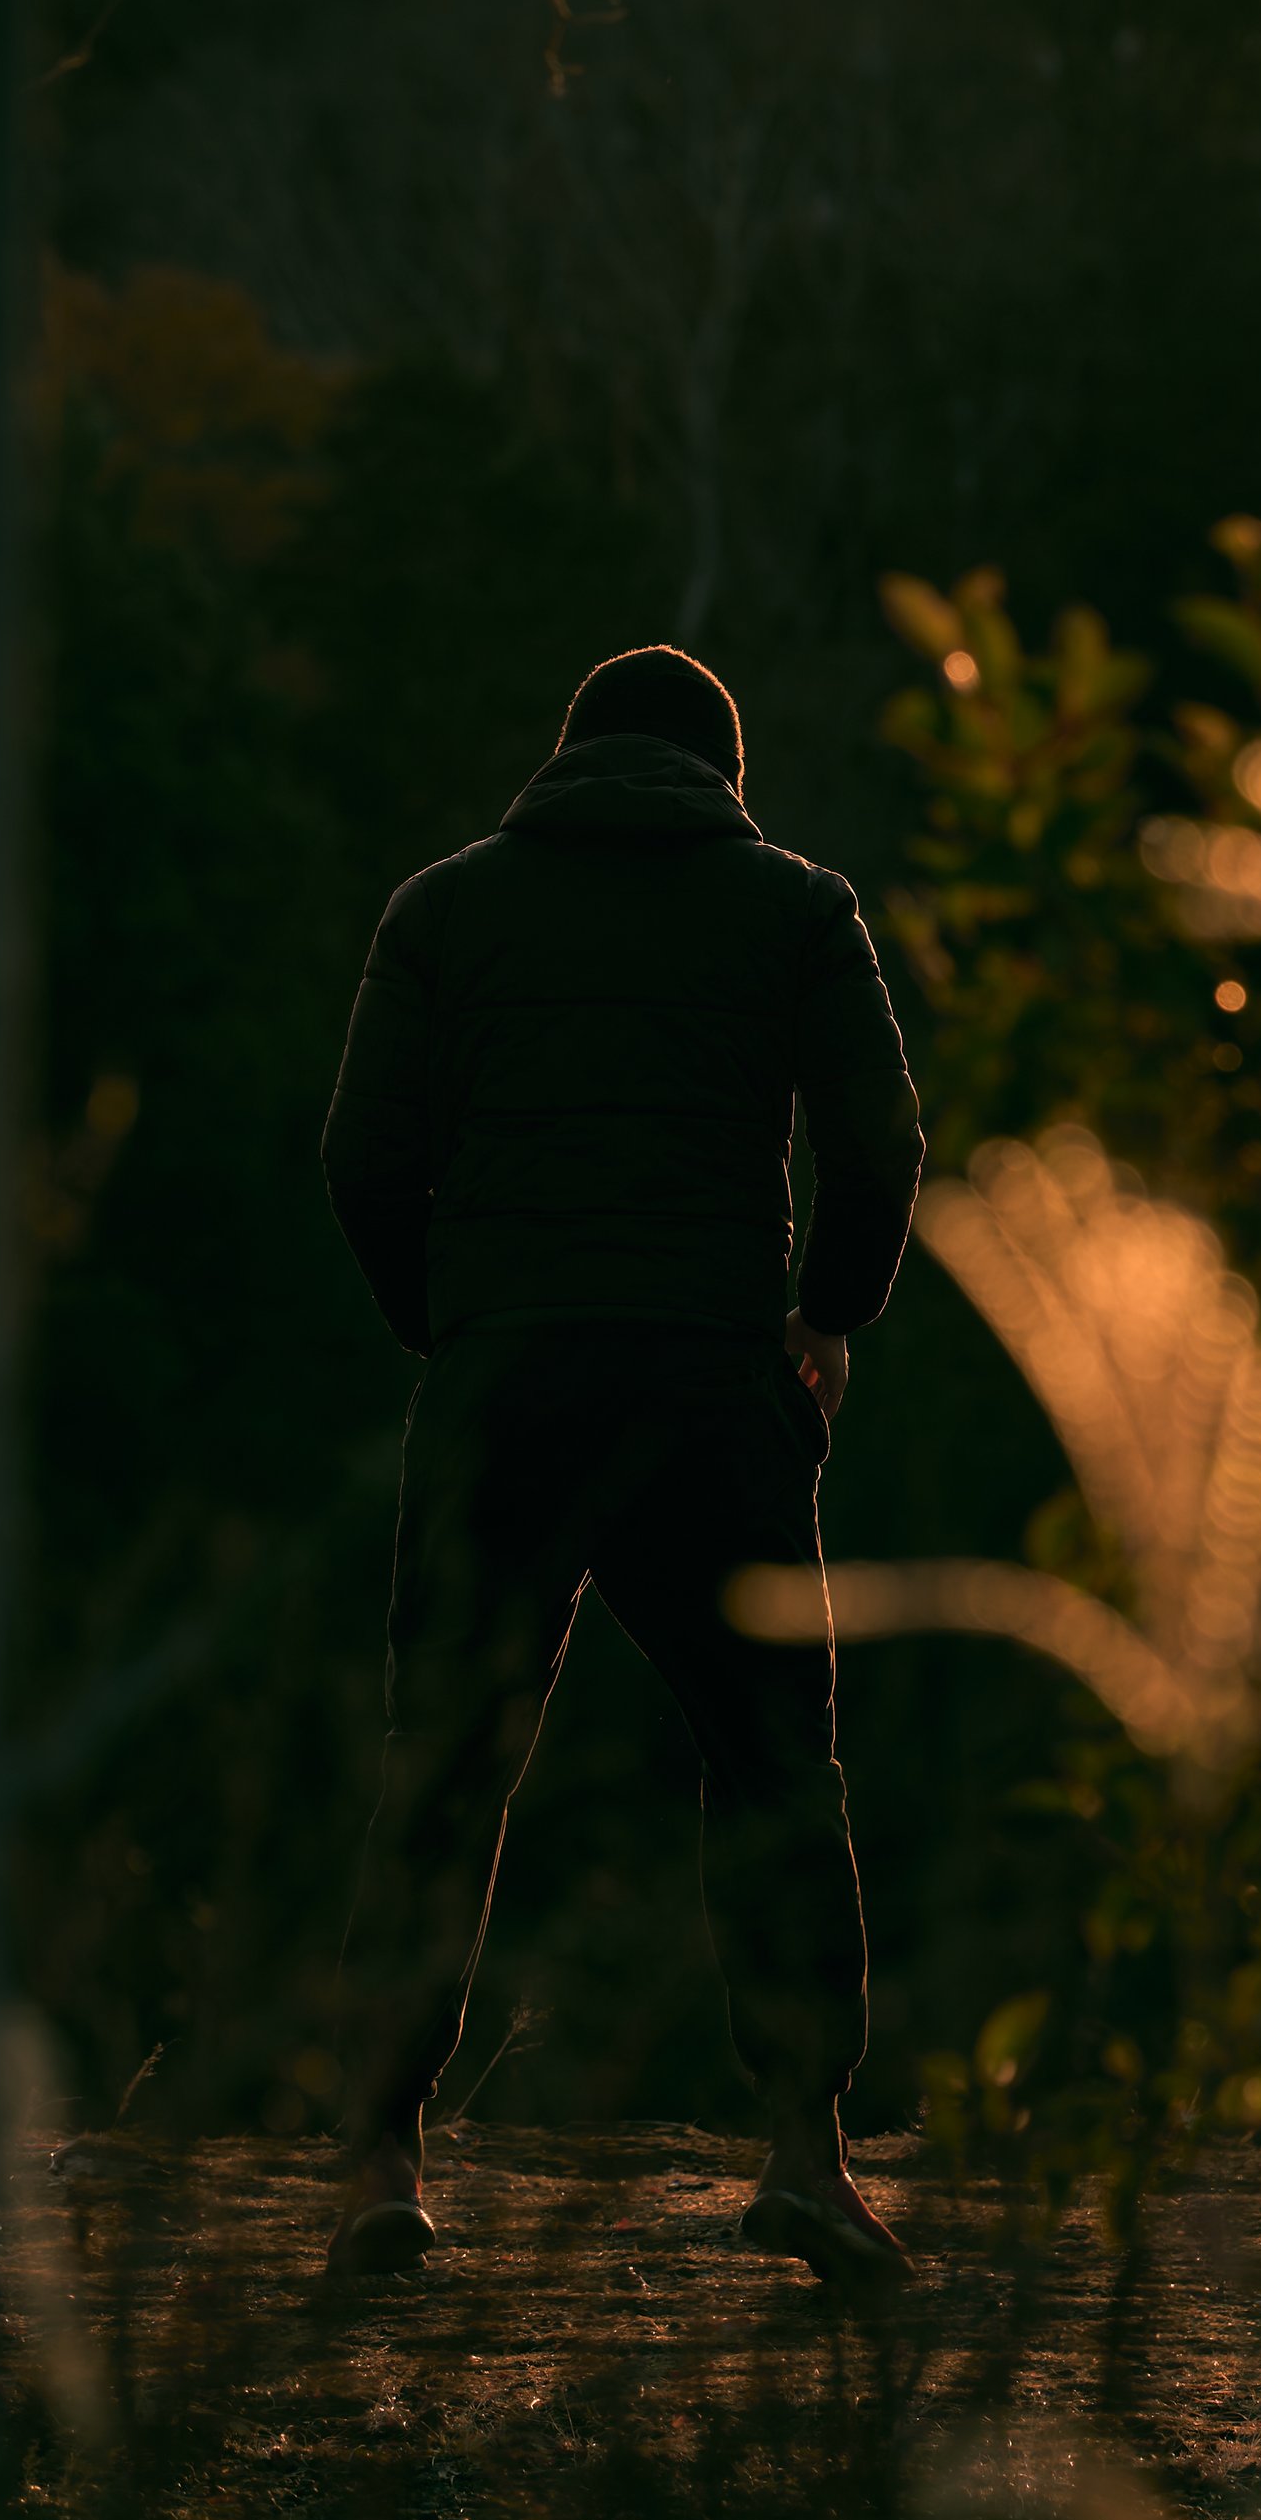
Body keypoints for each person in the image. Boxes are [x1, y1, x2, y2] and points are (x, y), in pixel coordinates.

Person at [320, 642, 924, 2287]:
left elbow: (362, 1156)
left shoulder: (440, 909)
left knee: (443, 1756)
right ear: (723, 771)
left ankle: (382, 2153)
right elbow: (881, 1141)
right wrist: (828, 1316)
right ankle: (807, 2149)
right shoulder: (797, 906)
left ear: (566, 754)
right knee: (772, 1764)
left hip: (505, 1376)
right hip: (712, 1387)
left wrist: (445, 1321)